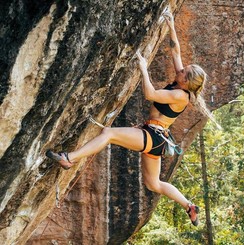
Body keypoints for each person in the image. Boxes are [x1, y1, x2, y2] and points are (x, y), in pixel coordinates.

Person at [46, 11, 211, 226]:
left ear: (187, 82)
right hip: (157, 137)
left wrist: (143, 69)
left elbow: (150, 94)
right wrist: (171, 25)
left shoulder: (180, 95)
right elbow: (176, 52)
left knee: (109, 133)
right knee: (154, 184)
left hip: (154, 136)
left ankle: (70, 158)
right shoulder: (182, 82)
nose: (180, 70)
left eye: (184, 72)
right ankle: (189, 205)